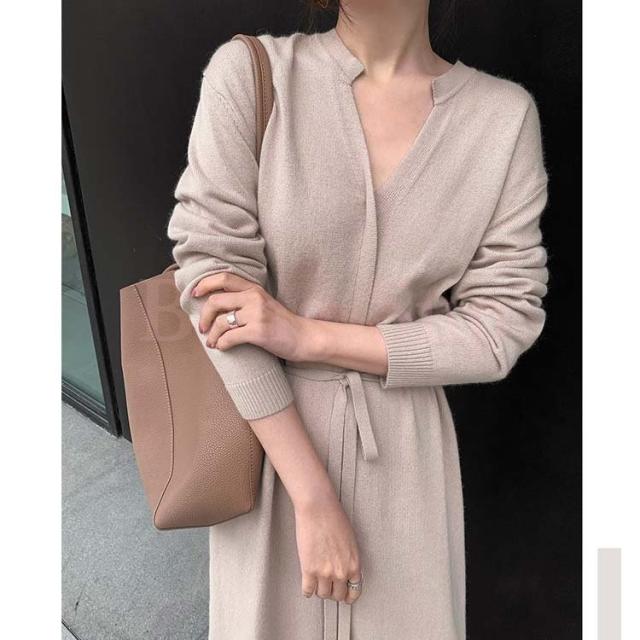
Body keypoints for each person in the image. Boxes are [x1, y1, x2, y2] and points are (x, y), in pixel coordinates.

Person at [166, 0, 549, 638]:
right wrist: (312, 497)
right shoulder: (254, 75)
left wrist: (308, 335)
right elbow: (213, 285)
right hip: (270, 445)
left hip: (407, 459)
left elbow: (501, 324)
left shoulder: (502, 119)